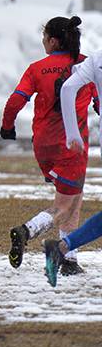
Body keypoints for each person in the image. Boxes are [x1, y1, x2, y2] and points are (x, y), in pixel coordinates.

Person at [0, 16, 97, 276]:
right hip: (72, 145)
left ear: (54, 41)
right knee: (66, 204)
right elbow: (100, 103)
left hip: (43, 145)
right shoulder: (87, 66)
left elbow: (15, 102)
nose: (43, 42)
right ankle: (27, 231)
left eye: (44, 38)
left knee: (73, 196)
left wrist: (7, 127)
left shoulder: (37, 68)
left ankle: (70, 261)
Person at [43, 31, 102, 286]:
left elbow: (68, 88)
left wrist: (72, 133)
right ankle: (62, 248)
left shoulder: (97, 58)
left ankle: (63, 248)